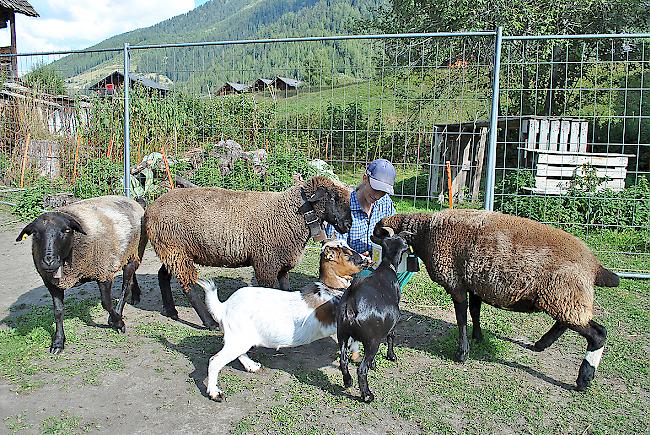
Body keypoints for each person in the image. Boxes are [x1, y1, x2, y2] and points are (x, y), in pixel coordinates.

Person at [326, 158, 415, 290]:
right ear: (365, 179)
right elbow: (336, 249)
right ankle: (365, 293)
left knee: (411, 262)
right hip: (352, 265)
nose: (378, 195)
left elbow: (394, 231)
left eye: (383, 192)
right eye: (375, 188)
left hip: (377, 261)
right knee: (366, 275)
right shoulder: (344, 206)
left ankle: (388, 294)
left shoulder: (385, 203)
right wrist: (358, 256)